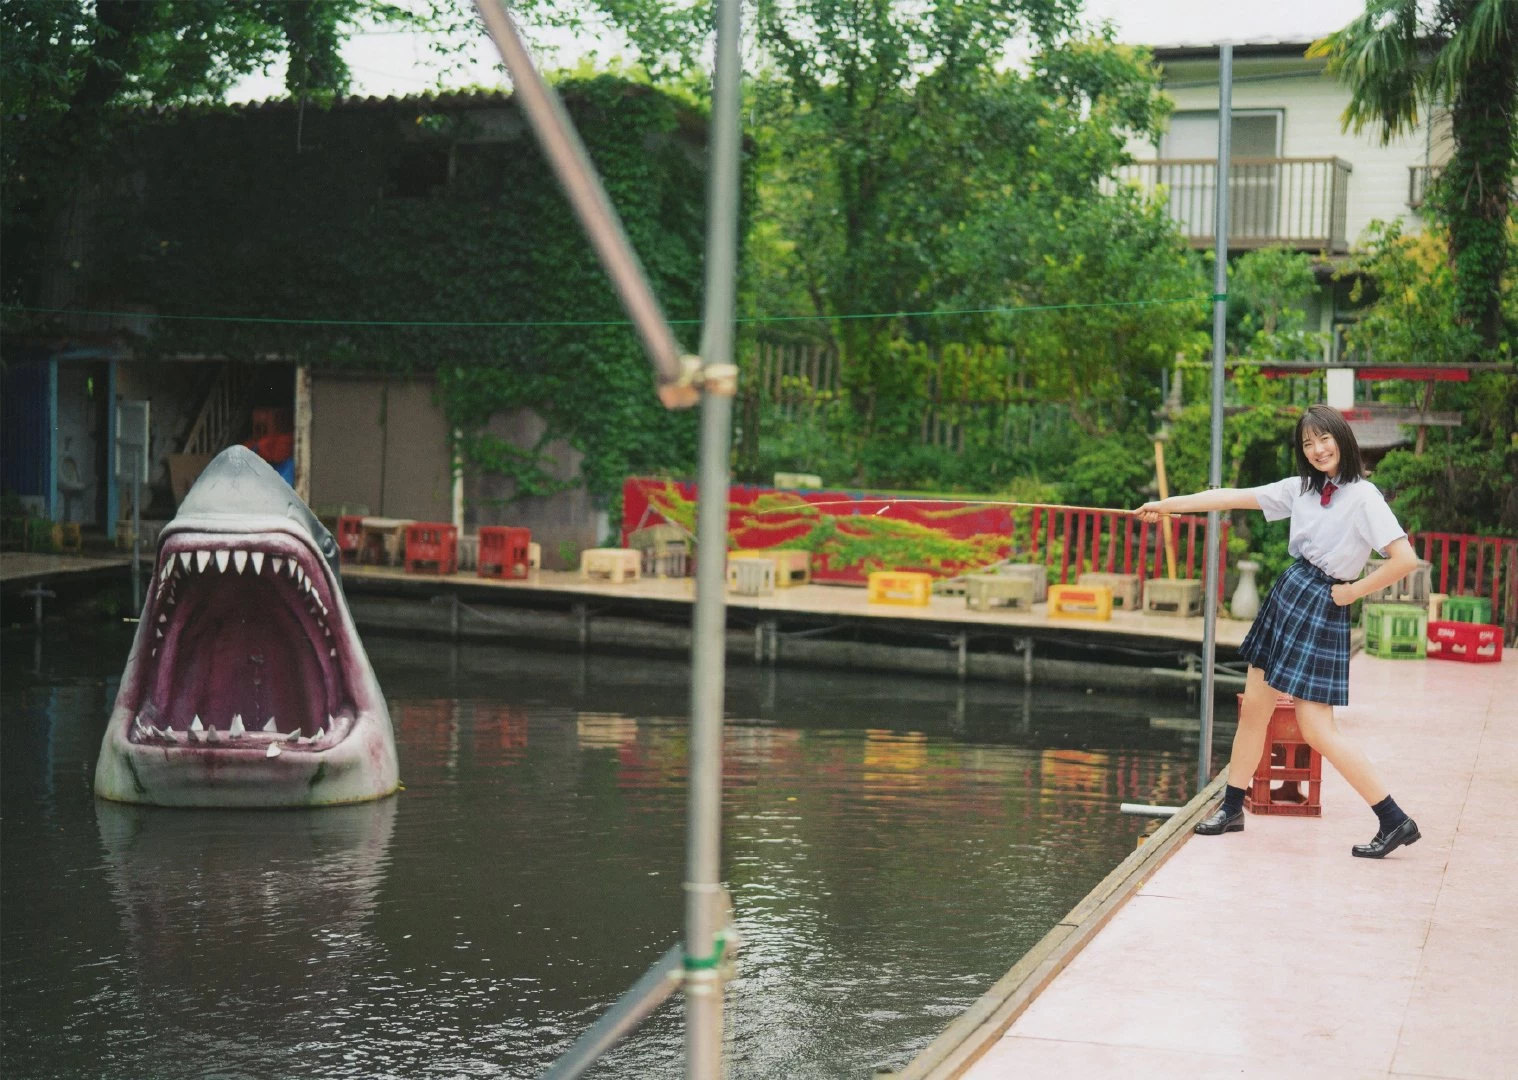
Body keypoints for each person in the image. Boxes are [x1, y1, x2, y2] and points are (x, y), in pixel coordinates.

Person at [1136, 404, 1422, 859]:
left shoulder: (1364, 496)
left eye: (1323, 439)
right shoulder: (1301, 490)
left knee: (1316, 728)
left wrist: (1353, 593)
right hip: (1291, 594)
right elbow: (1229, 496)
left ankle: (1393, 818)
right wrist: (1166, 507)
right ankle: (1232, 807)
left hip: (1323, 603)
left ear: (1341, 439)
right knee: (1255, 709)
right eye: (1307, 443)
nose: (1317, 450)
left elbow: (1405, 559)